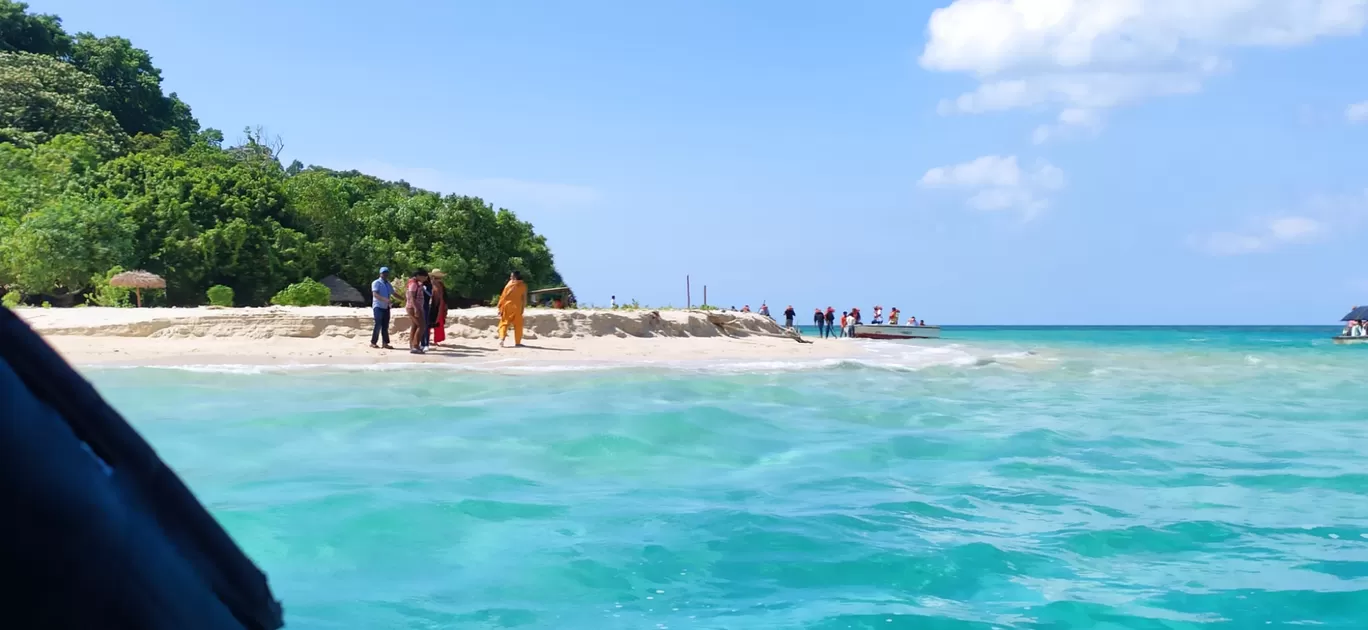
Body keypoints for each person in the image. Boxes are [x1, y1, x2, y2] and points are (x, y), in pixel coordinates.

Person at [498, 270, 528, 347]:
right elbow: (524, 298)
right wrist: (523, 308)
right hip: (517, 307)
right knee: (518, 325)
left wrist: (500, 307)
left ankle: (501, 339)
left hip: (507, 306)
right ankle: (517, 342)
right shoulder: (523, 285)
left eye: (511, 276)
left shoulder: (509, 284)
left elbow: (503, 296)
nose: (510, 277)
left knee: (504, 323)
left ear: (515, 277)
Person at [370, 267, 395, 349]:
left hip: (386, 307)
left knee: (385, 325)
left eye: (387, 272)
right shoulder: (376, 283)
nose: (385, 274)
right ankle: (373, 342)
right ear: (380, 273)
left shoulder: (388, 284)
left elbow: (393, 293)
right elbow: (375, 294)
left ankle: (385, 343)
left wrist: (405, 299)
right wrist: (385, 299)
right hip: (378, 306)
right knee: (378, 324)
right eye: (384, 273)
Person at [406, 269, 429, 354]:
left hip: (414, 307)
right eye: (424, 276)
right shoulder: (413, 284)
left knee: (415, 326)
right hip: (413, 308)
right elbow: (412, 297)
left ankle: (413, 346)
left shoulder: (416, 283)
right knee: (422, 326)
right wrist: (416, 308)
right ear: (419, 275)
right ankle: (415, 346)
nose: (425, 278)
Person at [429, 269, 448, 346]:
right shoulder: (429, 285)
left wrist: (445, 306)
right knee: (429, 323)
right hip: (432, 306)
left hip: (440, 306)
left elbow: (445, 296)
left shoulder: (441, 285)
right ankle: (426, 339)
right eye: (437, 278)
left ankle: (436, 340)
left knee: (439, 323)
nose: (439, 279)